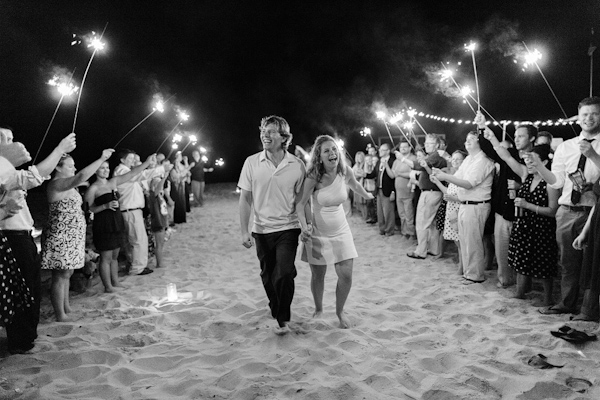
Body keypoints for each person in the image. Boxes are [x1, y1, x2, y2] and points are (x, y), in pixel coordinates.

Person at [0, 128, 76, 354]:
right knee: (21, 292)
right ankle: (22, 343)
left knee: (30, 288)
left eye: (13, 137)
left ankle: (27, 338)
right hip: (10, 238)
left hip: (23, 235)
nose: (14, 143)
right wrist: (60, 149)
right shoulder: (2, 165)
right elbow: (33, 177)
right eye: (7, 139)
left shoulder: (6, 166)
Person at [238, 115, 306, 335]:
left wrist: (307, 226)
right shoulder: (251, 162)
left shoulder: (296, 164)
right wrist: (244, 230)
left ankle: (282, 317)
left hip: (288, 227)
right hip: (262, 230)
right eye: (263, 131)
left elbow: (302, 201)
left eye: (271, 131)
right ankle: (276, 305)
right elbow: (245, 198)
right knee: (267, 275)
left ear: (284, 137)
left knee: (285, 273)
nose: (265, 135)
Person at [297, 135, 374, 329]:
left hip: (341, 230)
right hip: (317, 232)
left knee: (346, 275)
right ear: (319, 156)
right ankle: (319, 309)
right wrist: (304, 225)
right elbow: (301, 202)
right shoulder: (314, 176)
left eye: (334, 149)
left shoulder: (344, 170)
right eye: (326, 151)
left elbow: (354, 185)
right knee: (318, 275)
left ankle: (340, 311)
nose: (332, 153)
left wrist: (366, 194)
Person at [534, 97, 600, 315]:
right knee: (567, 261)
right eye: (585, 114)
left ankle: (588, 310)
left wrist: (593, 155)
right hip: (566, 211)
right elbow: (557, 182)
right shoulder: (565, 146)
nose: (589, 118)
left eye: (594, 114)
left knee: (592, 263)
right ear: (578, 117)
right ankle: (566, 303)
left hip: (593, 212)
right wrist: (539, 167)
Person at [41, 149, 114, 322]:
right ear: (58, 168)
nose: (74, 169)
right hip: (61, 235)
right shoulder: (55, 184)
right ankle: (60, 314)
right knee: (60, 275)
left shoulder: (68, 186)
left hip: (73, 235)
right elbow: (81, 176)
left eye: (74, 166)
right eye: (70, 166)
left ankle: (66, 307)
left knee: (68, 273)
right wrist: (102, 158)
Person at [85, 154, 157, 292]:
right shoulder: (93, 188)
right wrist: (104, 207)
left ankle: (115, 282)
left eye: (107, 168)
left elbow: (132, 173)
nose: (106, 170)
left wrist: (147, 162)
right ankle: (108, 286)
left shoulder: (113, 182)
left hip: (117, 221)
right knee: (106, 257)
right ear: (96, 171)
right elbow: (88, 208)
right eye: (102, 168)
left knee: (114, 256)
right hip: (103, 223)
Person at [481, 114, 537, 288]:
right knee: (502, 247)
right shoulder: (510, 152)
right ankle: (504, 280)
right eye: (516, 135)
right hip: (503, 210)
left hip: (526, 213)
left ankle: (524, 284)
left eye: (521, 136)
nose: (517, 138)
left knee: (524, 251)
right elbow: (490, 149)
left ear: (532, 138)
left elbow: (537, 180)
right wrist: (483, 128)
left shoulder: (538, 157)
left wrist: (521, 185)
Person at [432, 131, 495, 284]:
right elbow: (459, 177)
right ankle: (468, 273)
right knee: (465, 240)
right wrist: (441, 174)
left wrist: (445, 176)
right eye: (467, 139)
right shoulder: (469, 159)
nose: (467, 142)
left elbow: (468, 183)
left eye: (472, 139)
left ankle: (476, 275)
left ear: (480, 143)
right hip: (464, 204)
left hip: (476, 205)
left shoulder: (483, 161)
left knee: (473, 241)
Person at [506, 145, 558, 306]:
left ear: (543, 162)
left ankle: (548, 298)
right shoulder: (528, 178)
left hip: (542, 227)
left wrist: (527, 205)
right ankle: (520, 292)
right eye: (527, 160)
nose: (528, 163)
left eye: (532, 160)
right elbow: (507, 158)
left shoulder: (551, 182)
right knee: (521, 259)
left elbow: (553, 210)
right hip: (523, 225)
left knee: (544, 263)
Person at [114, 149, 163, 275]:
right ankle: (137, 268)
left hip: (134, 210)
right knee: (138, 240)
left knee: (138, 239)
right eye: (130, 158)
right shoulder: (122, 171)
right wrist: (158, 168)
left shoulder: (126, 171)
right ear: (122, 160)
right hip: (130, 210)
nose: (132, 161)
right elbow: (141, 175)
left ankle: (138, 265)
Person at [402, 134, 447, 259]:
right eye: (426, 143)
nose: (426, 145)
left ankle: (421, 251)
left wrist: (402, 159)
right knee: (431, 223)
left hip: (430, 192)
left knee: (422, 222)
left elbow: (418, 165)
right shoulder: (434, 156)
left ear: (437, 145)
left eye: (430, 143)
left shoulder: (435, 156)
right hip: (432, 192)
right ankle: (433, 249)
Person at [429, 150, 466, 273]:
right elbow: (448, 191)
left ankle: (462, 268)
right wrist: (437, 182)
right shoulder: (455, 175)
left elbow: (468, 195)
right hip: (452, 210)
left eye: (458, 159)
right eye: (453, 159)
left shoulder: (465, 176)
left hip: (460, 209)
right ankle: (462, 266)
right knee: (457, 241)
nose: (454, 161)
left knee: (461, 241)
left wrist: (454, 198)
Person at [572, 179, 600, 321]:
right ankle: (588, 311)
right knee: (593, 268)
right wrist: (584, 233)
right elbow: (597, 204)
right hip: (596, 226)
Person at [365, 143, 396, 236]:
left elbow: (394, 178)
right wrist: (365, 175)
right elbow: (374, 174)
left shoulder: (392, 161)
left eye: (382, 150)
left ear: (388, 151)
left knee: (388, 212)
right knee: (380, 212)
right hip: (379, 189)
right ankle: (382, 229)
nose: (380, 151)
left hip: (388, 190)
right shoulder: (379, 161)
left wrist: (393, 191)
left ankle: (389, 230)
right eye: (380, 150)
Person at [392, 141, 417, 240]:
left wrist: (401, 174)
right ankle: (404, 232)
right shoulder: (396, 160)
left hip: (408, 191)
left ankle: (411, 233)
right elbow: (394, 173)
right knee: (401, 214)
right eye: (401, 147)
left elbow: (413, 173)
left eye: (405, 147)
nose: (402, 149)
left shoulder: (412, 159)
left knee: (409, 214)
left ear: (410, 148)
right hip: (398, 191)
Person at [169, 151, 188, 224]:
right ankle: (178, 219)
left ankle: (182, 218)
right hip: (176, 187)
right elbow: (177, 176)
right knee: (178, 202)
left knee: (182, 202)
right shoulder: (173, 169)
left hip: (181, 185)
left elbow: (183, 172)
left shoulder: (179, 167)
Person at [351, 151, 367, 219]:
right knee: (359, 201)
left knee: (363, 201)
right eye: (358, 157)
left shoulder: (365, 164)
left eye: (361, 157)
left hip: (363, 185)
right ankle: (363, 214)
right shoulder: (356, 165)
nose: (359, 158)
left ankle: (365, 216)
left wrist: (357, 175)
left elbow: (364, 174)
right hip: (357, 185)